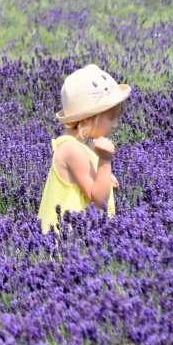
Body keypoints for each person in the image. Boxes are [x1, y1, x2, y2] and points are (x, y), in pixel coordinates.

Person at [38, 64, 131, 233]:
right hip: (67, 244)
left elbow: (84, 178)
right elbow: (98, 199)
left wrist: (104, 175)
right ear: (89, 119)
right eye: (111, 118)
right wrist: (104, 161)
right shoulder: (73, 151)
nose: (116, 124)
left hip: (80, 240)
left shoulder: (77, 147)